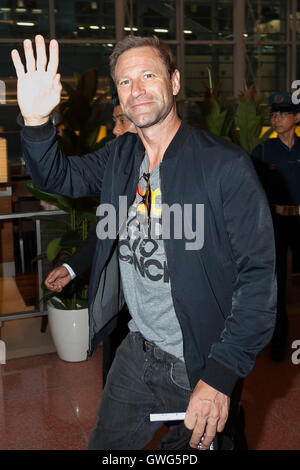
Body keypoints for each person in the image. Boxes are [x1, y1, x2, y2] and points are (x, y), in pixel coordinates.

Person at [12, 34, 276, 451]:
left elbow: (258, 280)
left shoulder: (224, 165)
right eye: (124, 81)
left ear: (173, 82)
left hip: (198, 362)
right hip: (137, 351)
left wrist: (221, 374)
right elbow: (57, 177)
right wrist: (35, 121)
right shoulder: (121, 156)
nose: (136, 90)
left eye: (148, 75)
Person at [45, 102, 136, 387]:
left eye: (122, 121)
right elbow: (108, 229)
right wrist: (72, 267)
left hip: (176, 321)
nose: (115, 129)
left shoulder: (200, 161)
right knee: (116, 393)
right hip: (124, 307)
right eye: (115, 120)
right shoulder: (118, 160)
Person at [252, 92, 300, 362]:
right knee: (277, 284)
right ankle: (279, 343)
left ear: (297, 118)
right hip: (276, 222)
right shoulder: (262, 151)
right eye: (274, 114)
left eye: (283, 114)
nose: (277, 118)